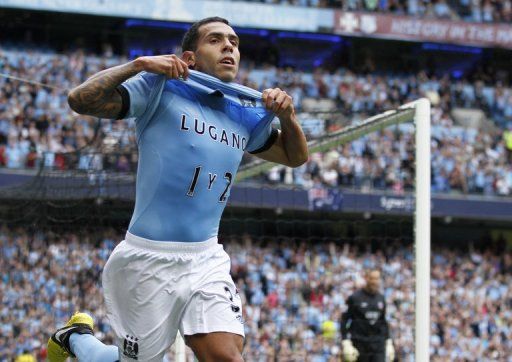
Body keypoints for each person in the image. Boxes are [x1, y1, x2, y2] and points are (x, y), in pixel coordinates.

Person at [47, 16, 308, 362]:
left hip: (206, 257)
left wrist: (288, 118)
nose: (229, 46)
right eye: (215, 40)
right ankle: (76, 337)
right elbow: (80, 99)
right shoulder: (159, 87)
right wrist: (139, 64)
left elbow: (295, 157)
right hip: (148, 258)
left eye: (234, 41)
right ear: (190, 58)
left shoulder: (245, 113)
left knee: (226, 357)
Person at [340, 269, 395, 362]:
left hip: (378, 345)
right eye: (372, 278)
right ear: (366, 278)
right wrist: (346, 342)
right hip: (360, 344)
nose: (375, 281)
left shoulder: (381, 299)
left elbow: (383, 322)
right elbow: (344, 319)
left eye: (377, 279)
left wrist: (389, 341)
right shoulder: (355, 298)